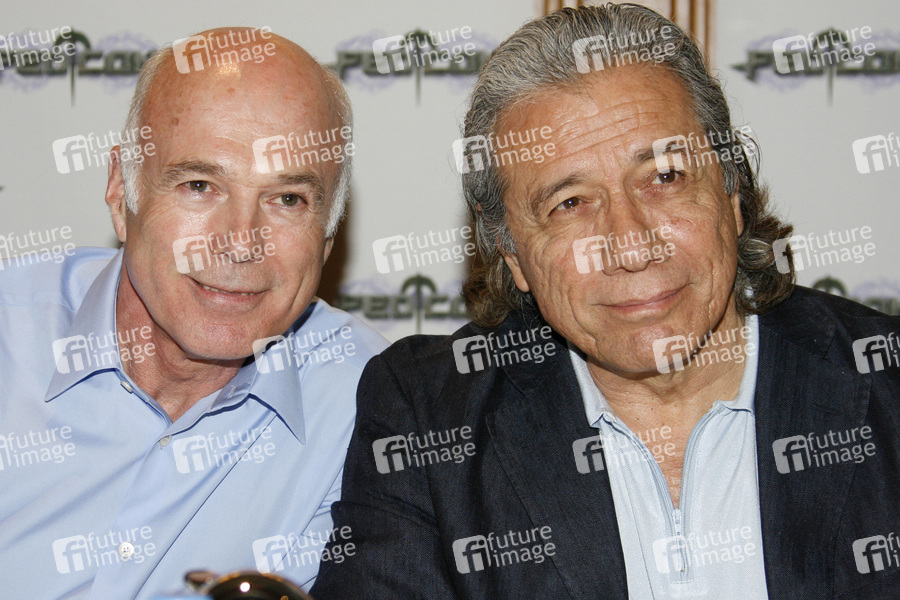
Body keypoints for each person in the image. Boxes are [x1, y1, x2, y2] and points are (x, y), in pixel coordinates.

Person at [311, 5, 900, 599]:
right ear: (511, 253)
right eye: (569, 203)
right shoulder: (427, 416)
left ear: (731, 192)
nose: (632, 245)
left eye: (665, 177)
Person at [0, 28, 386, 599]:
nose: (240, 242)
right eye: (200, 185)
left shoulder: (373, 403)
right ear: (121, 192)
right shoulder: (10, 337)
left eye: (288, 199)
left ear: (328, 236)